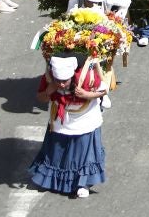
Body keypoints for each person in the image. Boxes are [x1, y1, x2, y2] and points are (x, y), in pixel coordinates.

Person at [28, 56, 108, 199]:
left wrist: (87, 94)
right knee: (58, 151)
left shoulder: (86, 76)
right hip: (61, 120)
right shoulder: (48, 78)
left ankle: (83, 184)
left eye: (65, 81)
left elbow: (104, 90)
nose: (62, 85)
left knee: (84, 152)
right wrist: (48, 91)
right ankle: (53, 180)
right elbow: (40, 97)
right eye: (58, 81)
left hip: (85, 118)